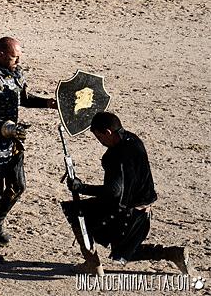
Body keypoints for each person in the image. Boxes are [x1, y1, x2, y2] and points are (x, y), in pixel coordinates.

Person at [62, 111, 192, 275]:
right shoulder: (133, 139)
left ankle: (92, 265)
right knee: (125, 252)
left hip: (126, 213)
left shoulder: (115, 156)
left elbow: (113, 192)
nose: (100, 141)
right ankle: (174, 253)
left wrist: (82, 188)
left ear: (108, 132)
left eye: (100, 137)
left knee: (76, 212)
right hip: (142, 210)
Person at [0, 37, 56, 262]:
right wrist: (6, 127)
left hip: (12, 140)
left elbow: (22, 99)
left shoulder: (16, 72)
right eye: (15, 56)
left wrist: (46, 103)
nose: (19, 60)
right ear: (0, 54)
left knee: (18, 186)